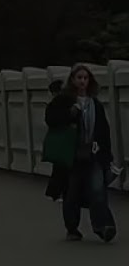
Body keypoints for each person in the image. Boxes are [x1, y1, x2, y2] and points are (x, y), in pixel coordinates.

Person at [44, 64, 117, 243]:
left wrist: (106, 157)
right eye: (79, 78)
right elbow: (51, 120)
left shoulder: (95, 104)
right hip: (71, 156)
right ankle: (72, 228)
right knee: (72, 193)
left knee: (98, 188)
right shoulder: (64, 101)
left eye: (85, 78)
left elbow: (104, 132)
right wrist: (70, 114)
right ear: (73, 80)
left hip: (93, 155)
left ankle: (103, 226)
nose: (82, 81)